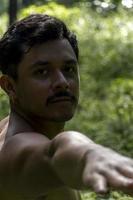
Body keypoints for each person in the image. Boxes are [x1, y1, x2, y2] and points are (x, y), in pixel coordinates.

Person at [0, 14, 133, 200]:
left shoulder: (7, 128)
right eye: (42, 72)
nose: (62, 82)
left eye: (68, 69)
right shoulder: (15, 153)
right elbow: (55, 155)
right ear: (10, 87)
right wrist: (90, 153)